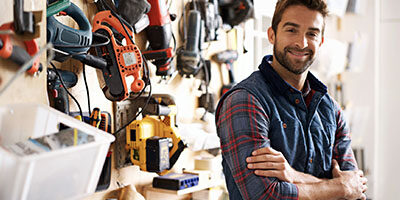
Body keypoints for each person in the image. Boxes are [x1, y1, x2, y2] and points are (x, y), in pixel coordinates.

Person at [215, 0, 368, 199]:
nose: (301, 43)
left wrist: (294, 176)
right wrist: (339, 188)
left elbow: (355, 191)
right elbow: (265, 195)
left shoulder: (330, 109)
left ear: (320, 41)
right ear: (272, 35)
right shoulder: (245, 101)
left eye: (311, 33)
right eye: (291, 30)